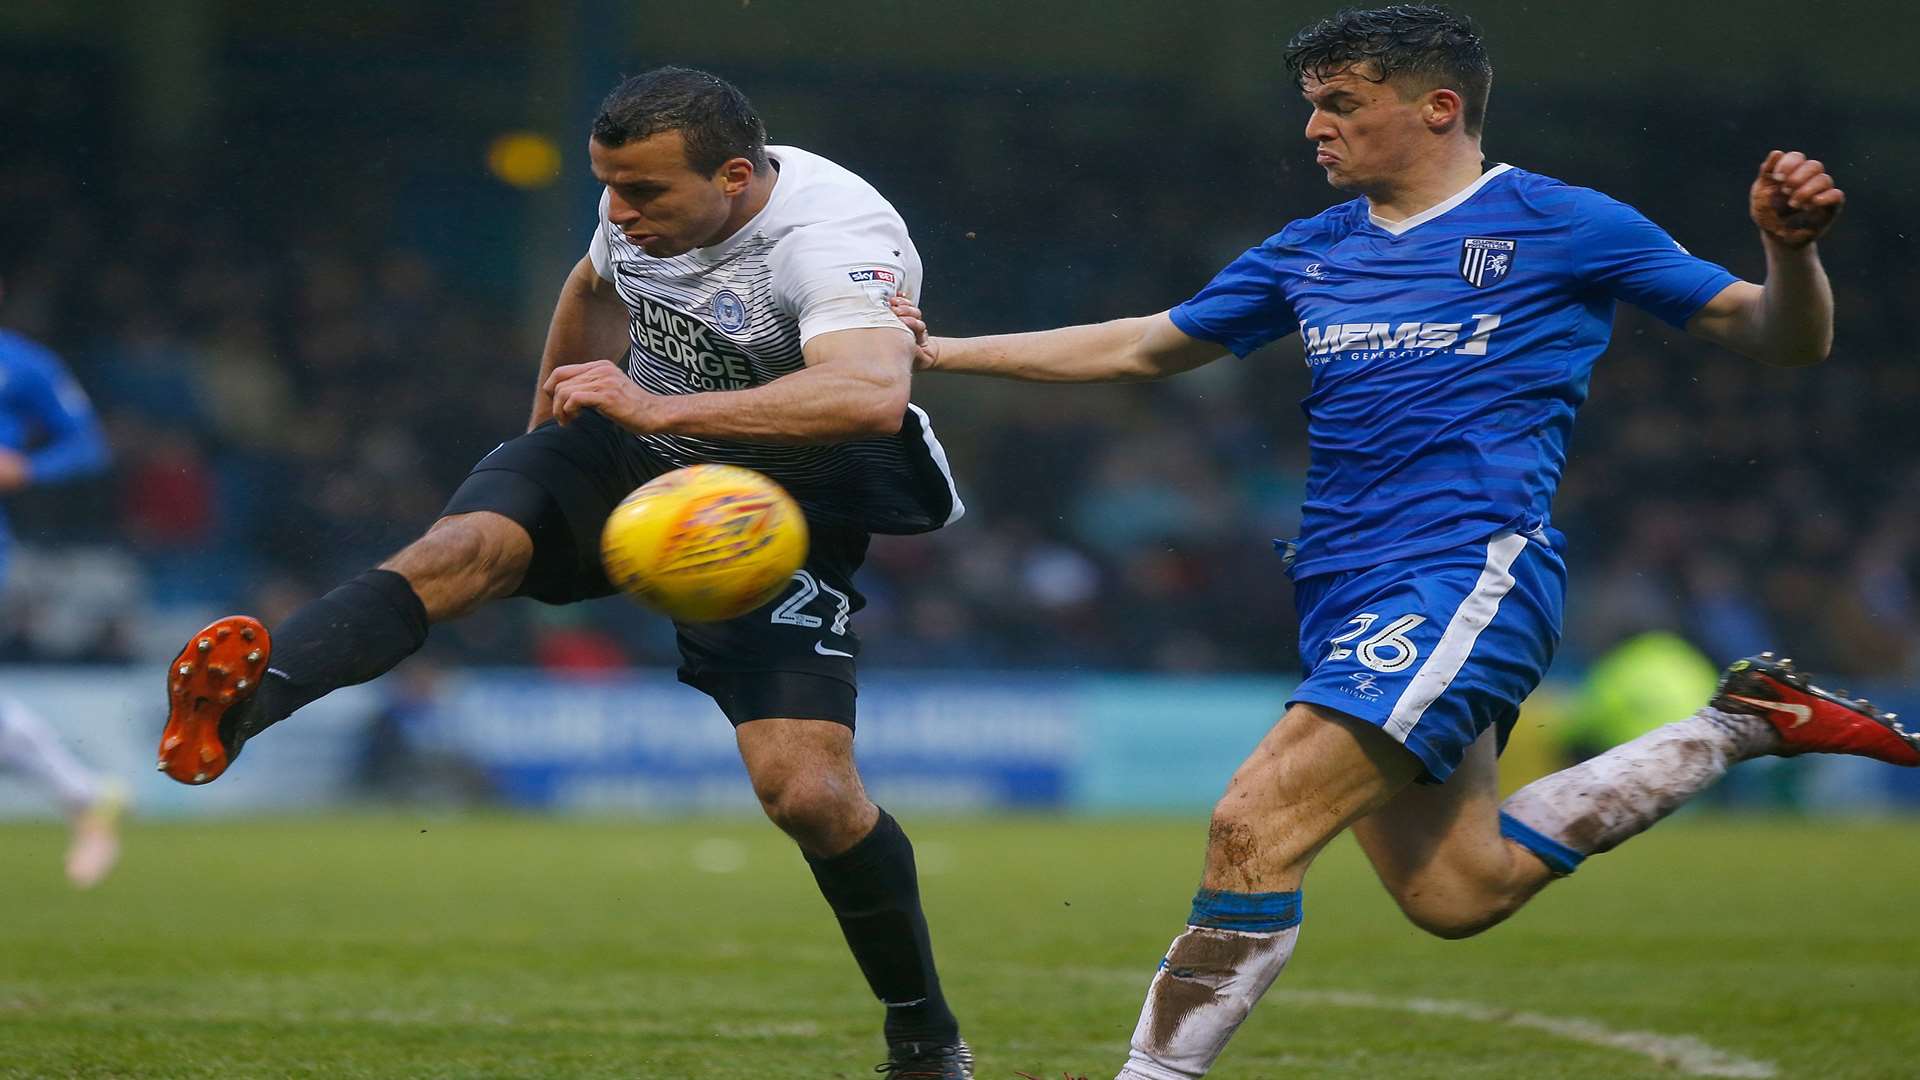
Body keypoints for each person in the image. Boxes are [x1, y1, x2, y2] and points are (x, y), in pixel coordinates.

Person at [889, 7, 1916, 1077]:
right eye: (1312, 108)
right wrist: (949, 353)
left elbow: (1778, 336)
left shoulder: (1563, 223)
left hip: (1470, 571)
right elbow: (1150, 345)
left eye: (1340, 104)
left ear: (1437, 107)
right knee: (1457, 890)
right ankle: (1737, 727)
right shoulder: (1312, 249)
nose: (1314, 131)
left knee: (1254, 820)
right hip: (1342, 589)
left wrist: (1788, 255)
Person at [155, 68, 973, 1078]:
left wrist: (654, 409)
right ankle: (255, 699)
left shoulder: (833, 239)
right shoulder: (636, 205)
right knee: (465, 547)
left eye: (645, 196)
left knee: (808, 794)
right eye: (610, 189)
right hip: (626, 449)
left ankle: (923, 1034)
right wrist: (547, 440)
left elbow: (864, 397)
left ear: (733, 175)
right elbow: (591, 287)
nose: (621, 214)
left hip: (781, 504)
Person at [0, 271, 122, 888]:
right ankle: (84, 798)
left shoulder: (22, 365)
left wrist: (28, 468)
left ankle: (83, 798)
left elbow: (87, 446)